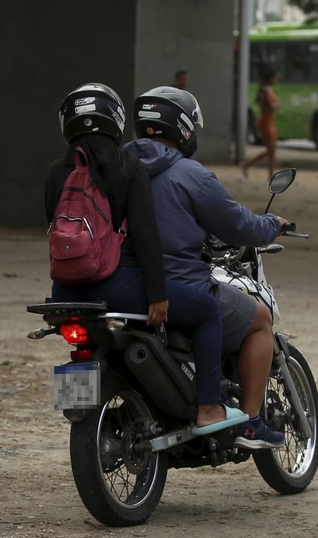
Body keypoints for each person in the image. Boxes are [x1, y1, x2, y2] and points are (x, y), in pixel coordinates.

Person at [43, 83, 228, 424]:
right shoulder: (128, 167)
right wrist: (157, 295)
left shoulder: (56, 172)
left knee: (79, 347)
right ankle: (209, 407)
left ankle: (78, 411)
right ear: (116, 121)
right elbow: (145, 236)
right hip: (119, 286)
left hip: (65, 292)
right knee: (207, 312)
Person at [125, 85, 289, 449]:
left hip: (125, 287)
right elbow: (237, 224)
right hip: (181, 284)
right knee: (260, 320)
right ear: (183, 129)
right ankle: (249, 422)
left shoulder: (117, 168)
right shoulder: (191, 174)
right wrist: (271, 225)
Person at [241, 68, 280, 181]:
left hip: (267, 120)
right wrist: (277, 104)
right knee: (271, 150)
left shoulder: (264, 89)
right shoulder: (267, 90)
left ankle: (268, 174)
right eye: (276, 77)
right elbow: (272, 106)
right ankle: (249, 166)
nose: (277, 80)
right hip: (267, 121)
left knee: (271, 150)